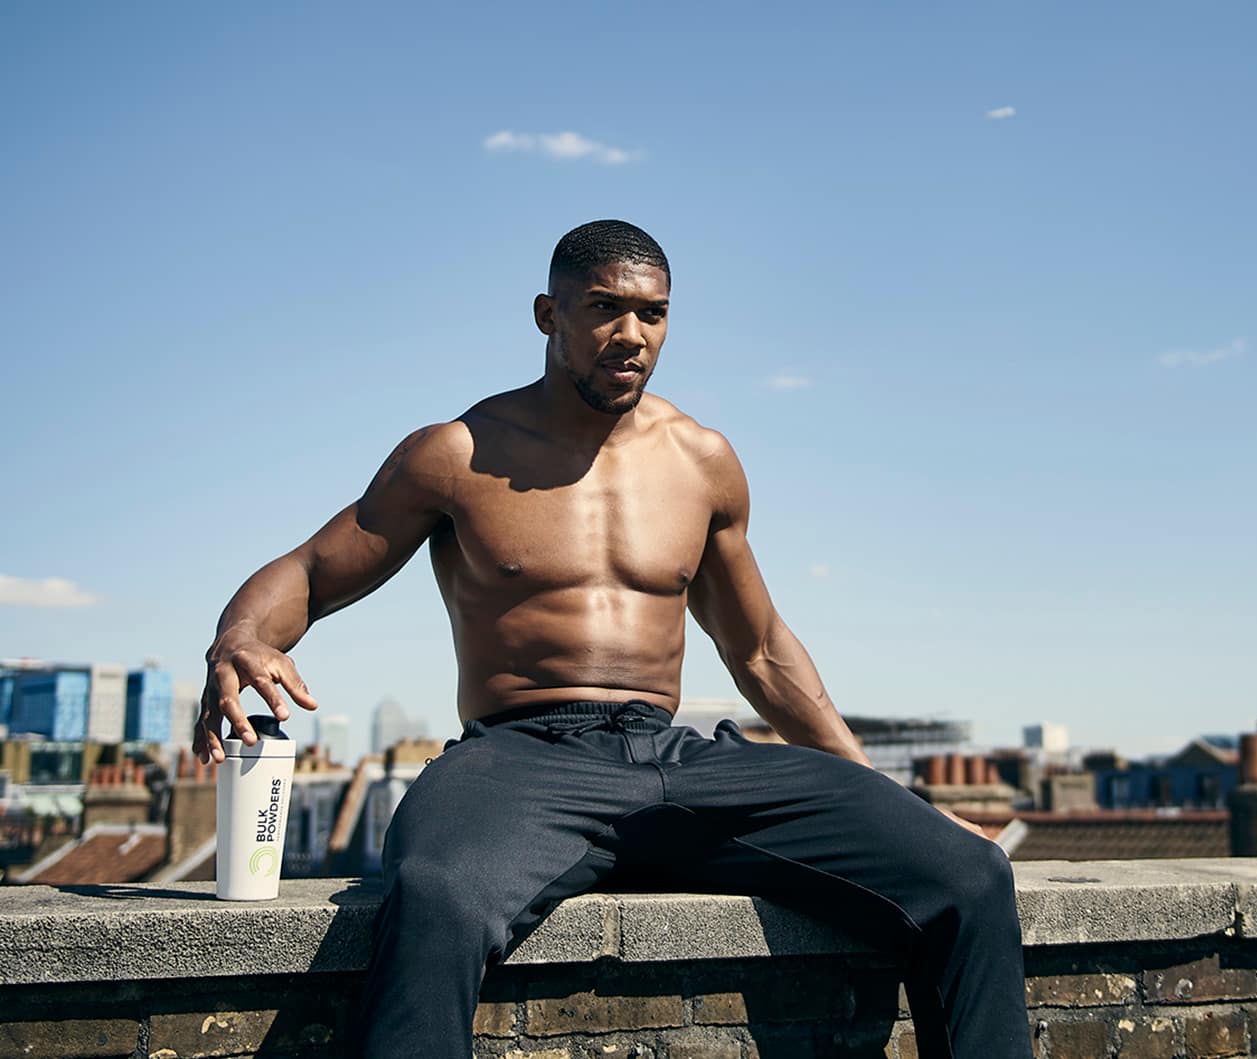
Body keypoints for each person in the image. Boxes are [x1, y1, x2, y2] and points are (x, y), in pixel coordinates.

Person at [196, 220, 1029, 1058]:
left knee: (969, 874)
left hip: (677, 758)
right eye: (604, 308)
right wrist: (238, 636)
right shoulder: (457, 454)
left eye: (653, 314)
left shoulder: (702, 460)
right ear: (546, 315)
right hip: (522, 758)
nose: (631, 335)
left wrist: (875, 795)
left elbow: (762, 650)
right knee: (435, 891)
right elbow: (310, 570)